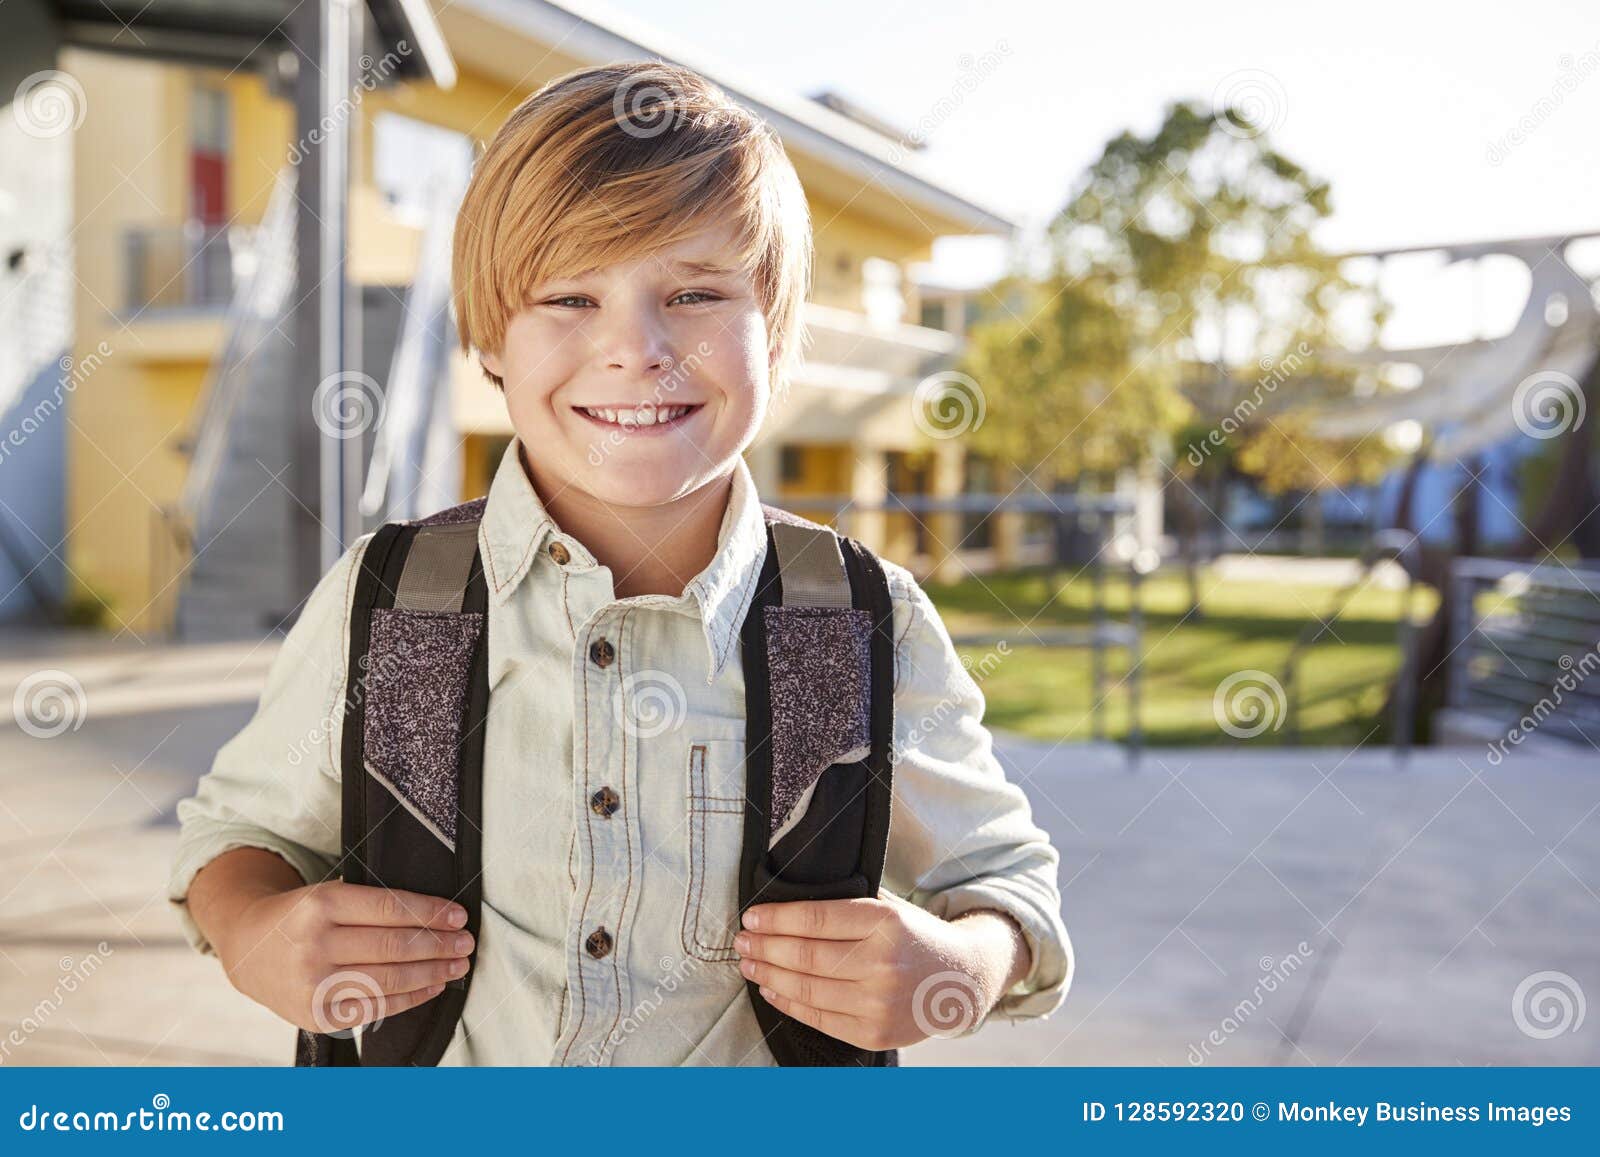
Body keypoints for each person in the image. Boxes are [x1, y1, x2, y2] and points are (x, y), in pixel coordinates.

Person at [167, 60, 1071, 1066]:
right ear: (491, 338)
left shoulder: (862, 620)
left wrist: (968, 962)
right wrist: (253, 929)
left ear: (773, 333)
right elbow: (238, 836)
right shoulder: (389, 600)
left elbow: (1004, 883)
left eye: (692, 292)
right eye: (569, 297)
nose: (636, 348)